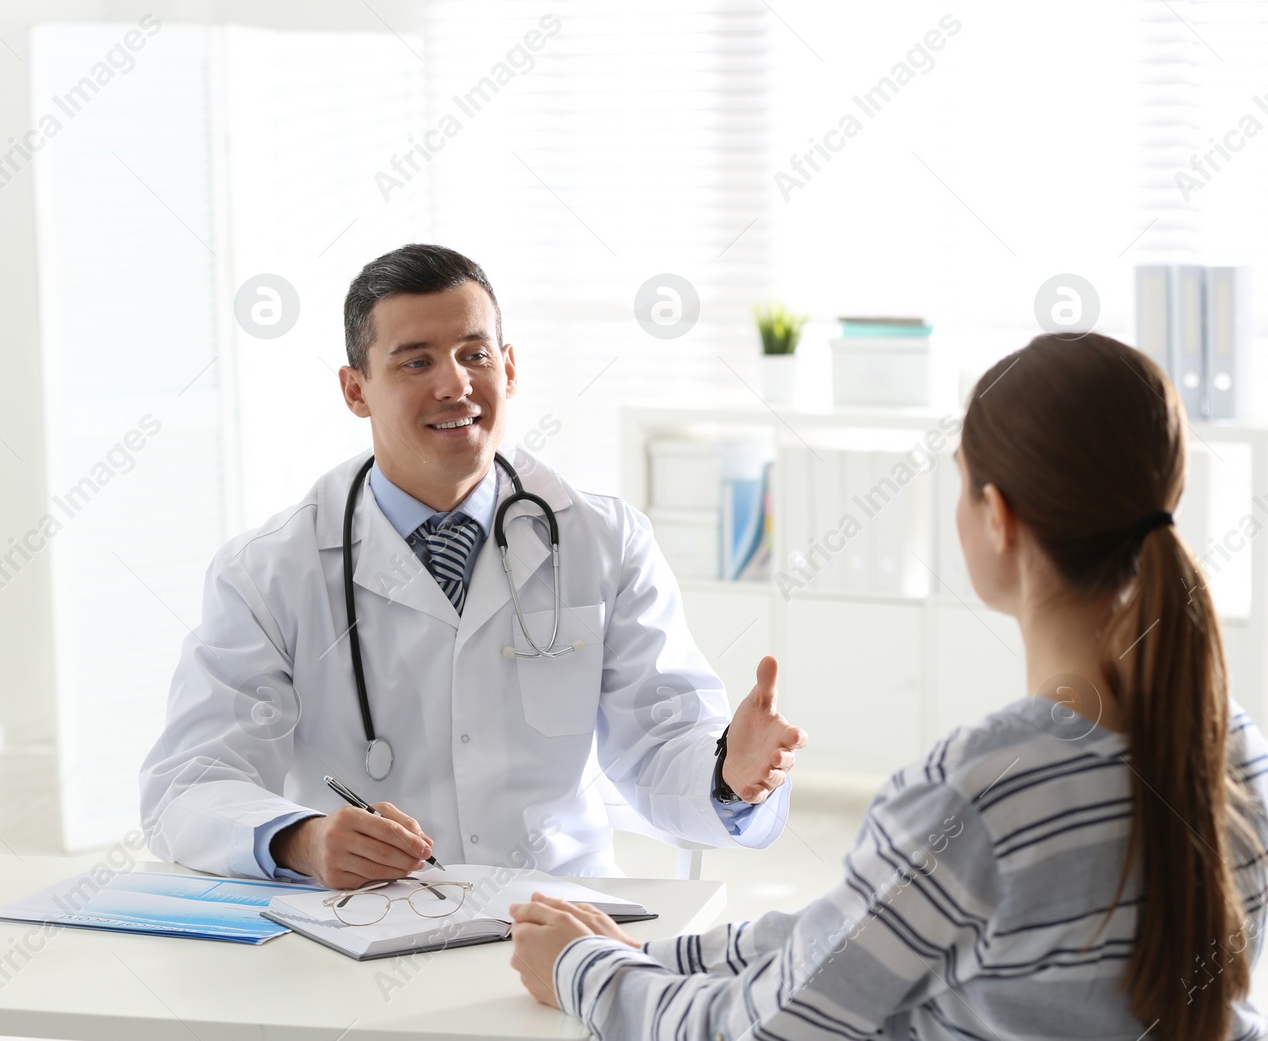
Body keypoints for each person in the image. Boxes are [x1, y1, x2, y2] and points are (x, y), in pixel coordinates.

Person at [509, 332, 1268, 1040]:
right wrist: (659, 951)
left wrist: (583, 969)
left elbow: (767, 1028)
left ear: (996, 516)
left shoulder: (979, 791)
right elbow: (865, 925)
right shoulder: (1230, 743)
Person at [139, 243, 808, 890]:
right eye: (415, 361)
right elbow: (189, 784)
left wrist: (731, 773)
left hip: (562, 922)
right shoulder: (268, 572)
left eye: (474, 354)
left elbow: (661, 743)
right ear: (355, 389)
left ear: (509, 368)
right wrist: (303, 840)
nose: (455, 384)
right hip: (360, 924)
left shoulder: (605, 539)